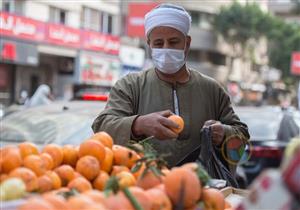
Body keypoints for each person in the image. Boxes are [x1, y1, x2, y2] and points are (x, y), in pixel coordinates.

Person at [92, 3, 249, 167]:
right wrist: (138, 124)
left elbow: (242, 145)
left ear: (187, 44)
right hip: (145, 185)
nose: (166, 49)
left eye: (173, 42)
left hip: (202, 187)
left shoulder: (212, 90)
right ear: (149, 44)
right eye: (159, 43)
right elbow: (102, 127)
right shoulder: (130, 86)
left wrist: (224, 133)